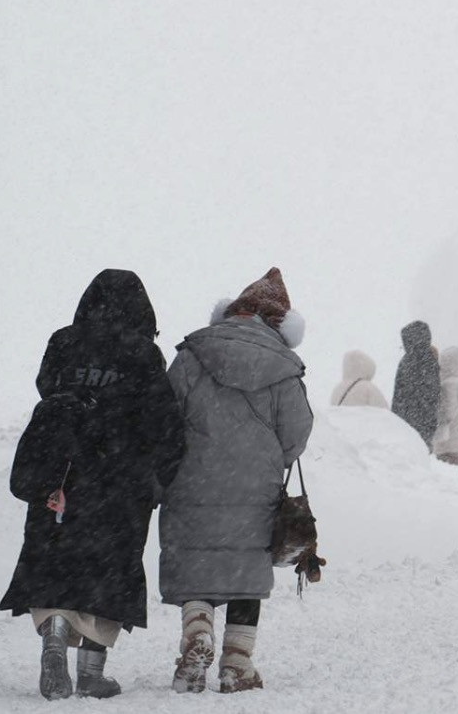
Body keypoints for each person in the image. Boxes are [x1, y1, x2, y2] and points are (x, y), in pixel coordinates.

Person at [0, 269, 187, 700]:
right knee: (112, 572)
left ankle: (54, 634)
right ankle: (91, 672)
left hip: (59, 476)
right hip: (119, 481)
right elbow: (164, 422)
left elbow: (46, 388)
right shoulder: (143, 353)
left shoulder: (62, 342)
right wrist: (162, 476)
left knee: (56, 563)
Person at [160, 267, 314, 694]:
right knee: (246, 566)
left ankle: (198, 630)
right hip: (255, 485)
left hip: (192, 479)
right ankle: (237, 664)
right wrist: (269, 460)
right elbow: (296, 433)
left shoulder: (191, 355)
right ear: (278, 322)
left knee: (197, 559)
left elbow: (165, 419)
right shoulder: (284, 366)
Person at [390, 321, 440, 448]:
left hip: (406, 423)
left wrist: (395, 419)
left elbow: (398, 396)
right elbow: (434, 395)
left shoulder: (407, 361)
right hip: (424, 423)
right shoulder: (430, 361)